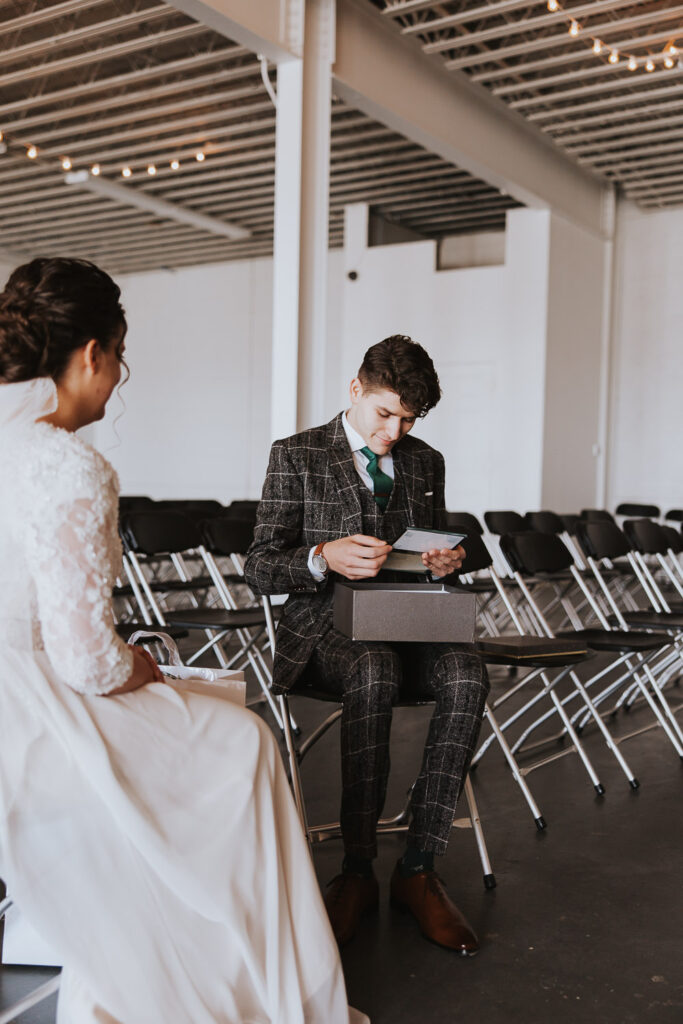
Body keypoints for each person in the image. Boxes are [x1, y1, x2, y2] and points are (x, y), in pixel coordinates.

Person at [0, 257, 367, 1024]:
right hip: (31, 715)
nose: (117, 378)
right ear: (93, 353)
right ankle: (248, 982)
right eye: (119, 357)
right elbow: (86, 661)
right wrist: (142, 664)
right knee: (244, 740)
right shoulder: (66, 466)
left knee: (213, 714)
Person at [244, 336, 490, 954]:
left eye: (409, 419)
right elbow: (260, 567)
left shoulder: (425, 460)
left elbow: (461, 544)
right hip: (325, 628)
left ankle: (418, 869)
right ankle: (356, 870)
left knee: (468, 672)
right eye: (385, 413)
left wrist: (450, 559)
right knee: (373, 668)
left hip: (409, 620)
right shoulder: (296, 455)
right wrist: (321, 556)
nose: (394, 431)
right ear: (356, 391)